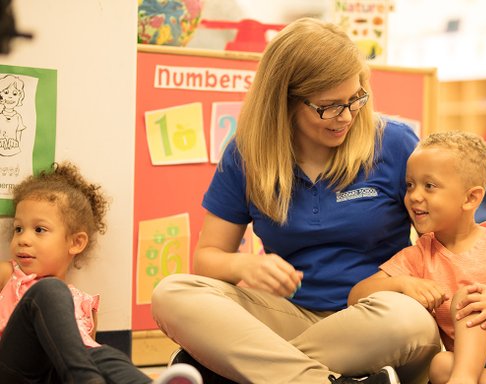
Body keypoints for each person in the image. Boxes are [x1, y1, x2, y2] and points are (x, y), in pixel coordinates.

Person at [151, 17, 441, 384]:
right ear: (284, 101)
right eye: (329, 106)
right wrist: (243, 267)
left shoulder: (395, 143)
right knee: (172, 293)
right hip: (287, 316)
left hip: (376, 317)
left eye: (355, 99)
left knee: (407, 319)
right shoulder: (246, 154)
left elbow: (448, 238)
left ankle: (233, 372)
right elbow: (207, 259)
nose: (347, 116)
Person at [349, 131, 486, 384]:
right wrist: (402, 283)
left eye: (429, 186)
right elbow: (357, 295)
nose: (414, 195)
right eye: (410, 184)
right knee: (440, 365)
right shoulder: (419, 255)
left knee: (468, 300)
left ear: (471, 198)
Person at [0, 162, 202, 384]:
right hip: (16, 372)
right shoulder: (8, 274)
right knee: (49, 290)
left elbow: (81, 356)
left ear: (76, 242)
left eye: (39, 230)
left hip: (63, 376)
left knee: (104, 354)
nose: (23, 239)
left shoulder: (84, 304)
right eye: (19, 228)